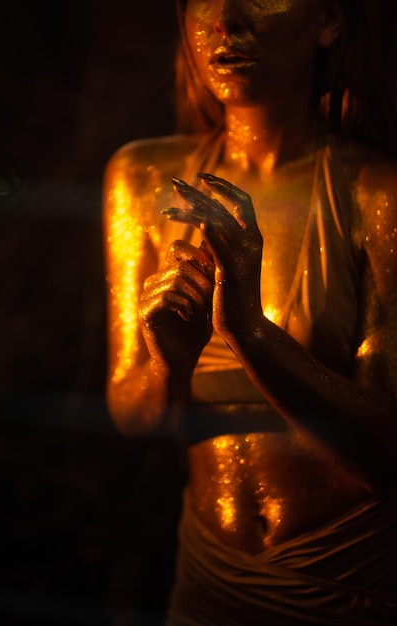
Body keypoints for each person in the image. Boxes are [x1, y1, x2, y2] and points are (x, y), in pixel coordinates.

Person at [104, 0, 397, 623]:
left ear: (330, 20)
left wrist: (250, 333)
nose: (228, 19)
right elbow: (133, 415)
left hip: (347, 581)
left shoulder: (375, 193)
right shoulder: (146, 178)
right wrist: (167, 368)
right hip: (211, 582)